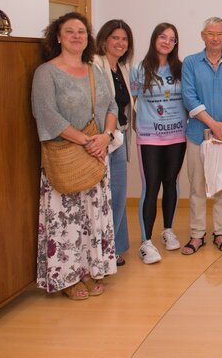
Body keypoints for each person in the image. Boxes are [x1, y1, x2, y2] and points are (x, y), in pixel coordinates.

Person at [31, 12, 118, 300]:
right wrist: (86, 141)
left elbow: (113, 106)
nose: (77, 36)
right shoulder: (46, 72)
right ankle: (67, 276)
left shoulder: (94, 70)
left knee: (92, 218)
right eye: (70, 31)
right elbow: (46, 115)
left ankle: (91, 268)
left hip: (96, 154)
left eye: (82, 31)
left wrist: (105, 137)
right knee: (66, 220)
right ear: (57, 36)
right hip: (66, 156)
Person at [181, 17, 222, 254]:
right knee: (197, 188)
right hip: (198, 135)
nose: (215, 38)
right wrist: (212, 125)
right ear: (202, 35)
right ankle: (197, 235)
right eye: (210, 33)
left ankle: (220, 233)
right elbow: (189, 98)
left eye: (219, 34)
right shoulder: (190, 63)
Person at [130, 23, 187, 264]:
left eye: (172, 39)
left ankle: (168, 230)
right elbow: (131, 102)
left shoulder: (181, 70)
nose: (166, 42)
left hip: (177, 135)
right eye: (162, 37)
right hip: (150, 136)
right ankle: (146, 242)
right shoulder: (139, 70)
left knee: (171, 183)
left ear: (175, 44)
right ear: (154, 39)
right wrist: (138, 128)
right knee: (151, 186)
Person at [92, 19, 134, 267]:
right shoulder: (94, 65)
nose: (120, 43)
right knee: (100, 197)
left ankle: (115, 247)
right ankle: (101, 249)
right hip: (100, 138)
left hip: (119, 137)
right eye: (115, 37)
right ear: (105, 39)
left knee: (118, 194)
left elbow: (126, 105)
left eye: (124, 39)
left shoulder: (123, 69)